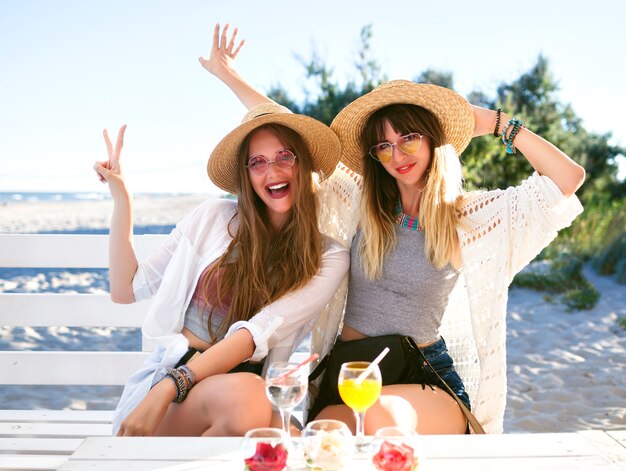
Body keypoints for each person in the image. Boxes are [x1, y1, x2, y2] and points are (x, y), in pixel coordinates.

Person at [202, 24, 585, 434]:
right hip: (351, 373)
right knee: (326, 431)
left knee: (375, 419)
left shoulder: (467, 216)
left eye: (409, 139)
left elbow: (567, 178)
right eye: (383, 145)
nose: (397, 154)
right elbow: (290, 129)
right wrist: (230, 76)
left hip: (424, 376)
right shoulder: (362, 202)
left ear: (432, 140)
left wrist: (494, 123)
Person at [93, 95, 349, 436]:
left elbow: (254, 334)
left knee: (291, 437)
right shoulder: (213, 218)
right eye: (257, 162)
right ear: (246, 175)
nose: (272, 172)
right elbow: (126, 289)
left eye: (284, 157)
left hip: (246, 394)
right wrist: (122, 196)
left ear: (303, 164)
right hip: (170, 392)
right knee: (248, 400)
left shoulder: (327, 257)